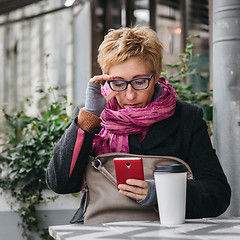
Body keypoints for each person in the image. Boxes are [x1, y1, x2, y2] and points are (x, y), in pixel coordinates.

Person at [46, 26, 231, 224]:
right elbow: (60, 183)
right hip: (100, 229)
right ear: (106, 81)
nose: (130, 95)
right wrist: (89, 118)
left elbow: (217, 193)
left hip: (168, 233)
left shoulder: (186, 117)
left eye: (140, 81)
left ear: (156, 77)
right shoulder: (92, 118)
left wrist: (161, 193)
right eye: (118, 83)